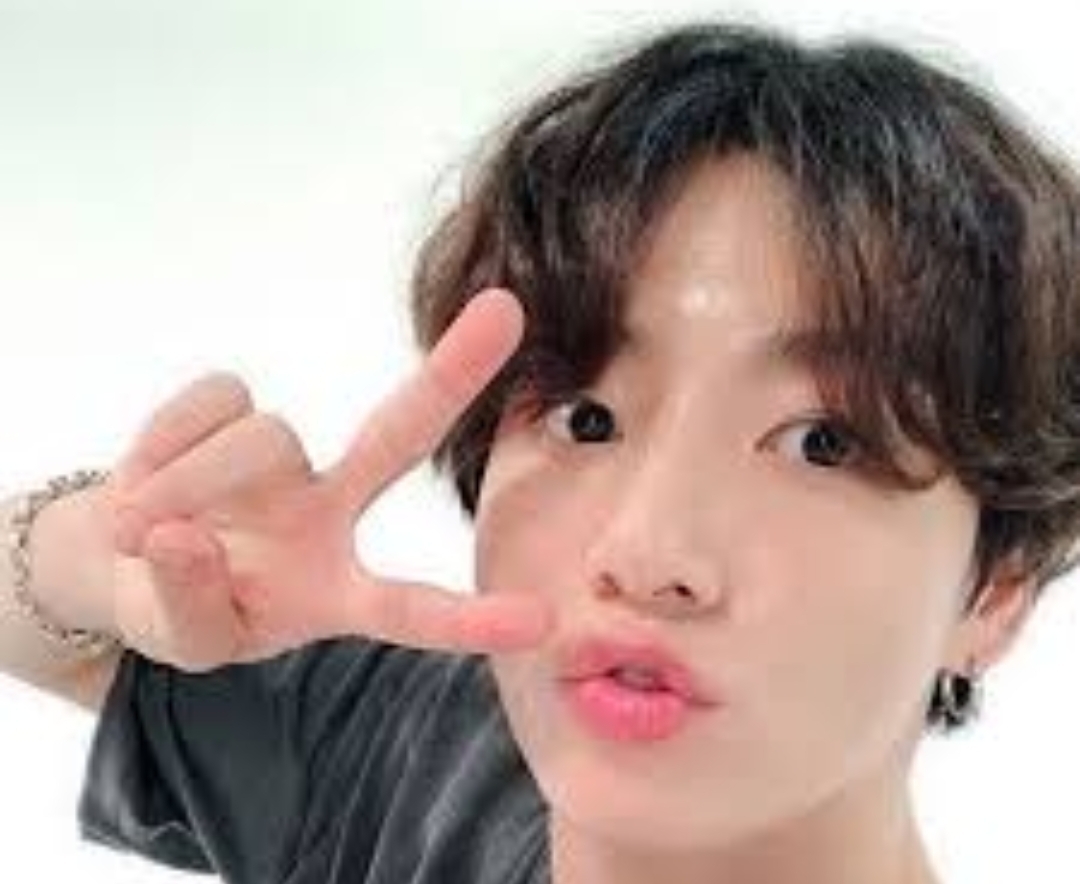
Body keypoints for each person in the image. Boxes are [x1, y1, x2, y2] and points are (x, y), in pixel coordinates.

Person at [2, 18, 1079, 884]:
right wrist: (108, 554)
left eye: (822, 441)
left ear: (996, 590)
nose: (646, 554)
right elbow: (43, 629)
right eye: (587, 418)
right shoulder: (411, 753)